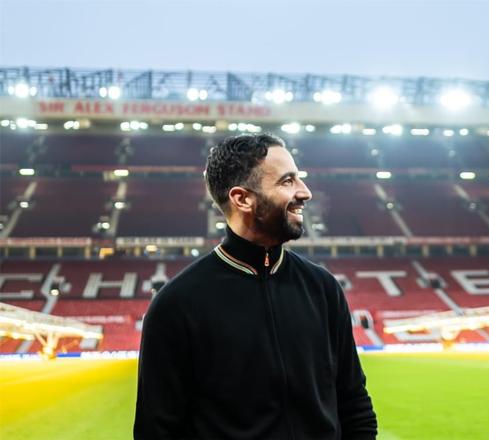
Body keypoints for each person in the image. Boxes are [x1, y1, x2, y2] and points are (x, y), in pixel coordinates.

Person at [134, 133, 377, 439]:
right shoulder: (177, 305)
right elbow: (156, 430)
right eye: (287, 181)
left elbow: (354, 403)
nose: (305, 192)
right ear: (242, 199)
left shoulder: (322, 288)